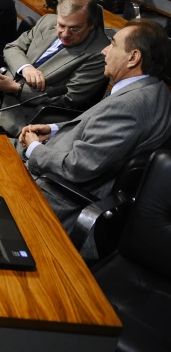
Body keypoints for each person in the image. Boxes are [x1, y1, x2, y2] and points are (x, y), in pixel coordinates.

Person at [19, 19, 171, 239]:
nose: (104, 50)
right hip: (56, 163)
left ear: (133, 57)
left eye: (113, 44)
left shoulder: (130, 106)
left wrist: (33, 148)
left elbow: (77, 167)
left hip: (55, 197)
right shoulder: (149, 88)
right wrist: (53, 129)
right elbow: (97, 125)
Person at [0, 0, 109, 137]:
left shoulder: (99, 53)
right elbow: (12, 47)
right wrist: (26, 68)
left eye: (74, 28)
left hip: (25, 115)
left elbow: (70, 97)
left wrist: (17, 89)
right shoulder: (47, 21)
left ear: (91, 25)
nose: (65, 34)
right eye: (61, 25)